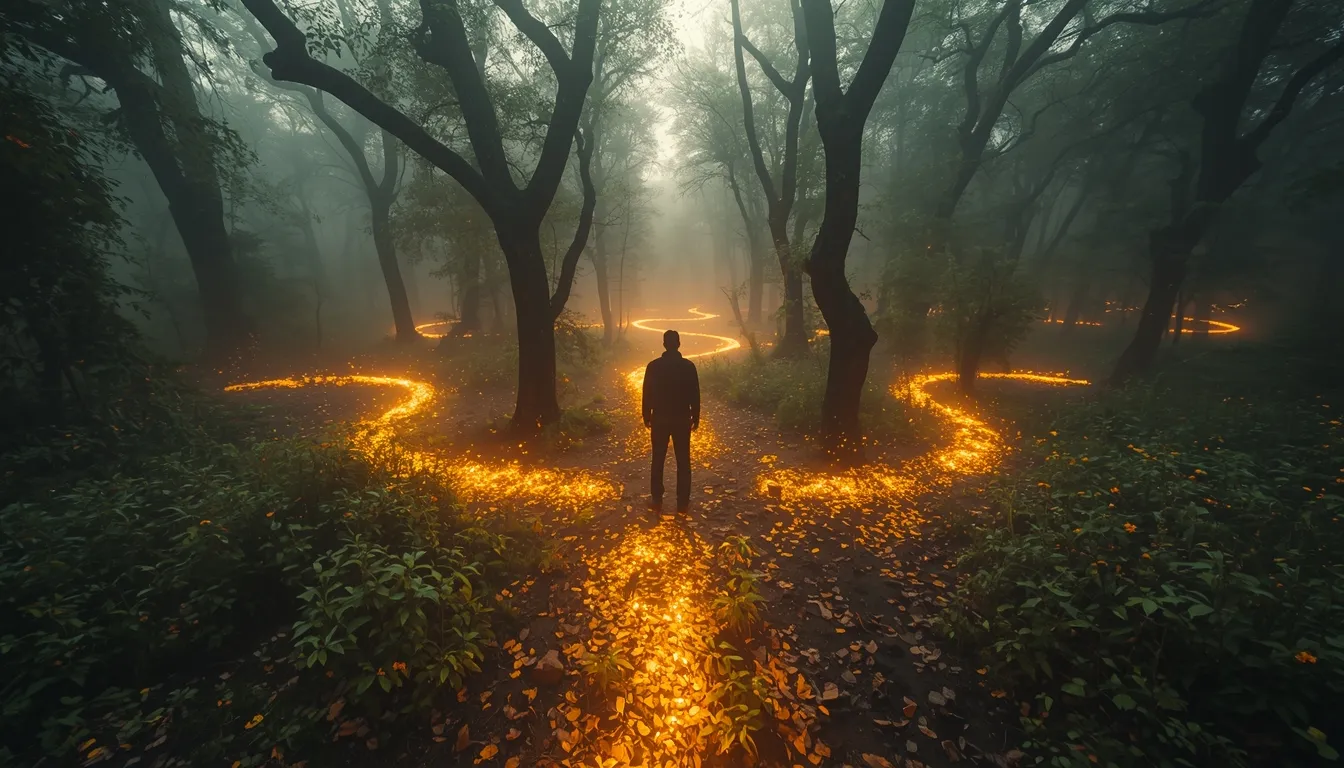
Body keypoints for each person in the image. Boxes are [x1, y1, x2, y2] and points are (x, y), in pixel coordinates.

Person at [641, 329, 700, 512]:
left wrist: (646, 415)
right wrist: (696, 416)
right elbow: (695, 393)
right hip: (682, 418)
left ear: (664, 344)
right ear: (679, 344)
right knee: (683, 460)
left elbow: (646, 392)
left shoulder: (653, 366)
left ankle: (656, 498)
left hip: (660, 417)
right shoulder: (688, 367)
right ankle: (683, 501)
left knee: (658, 458)